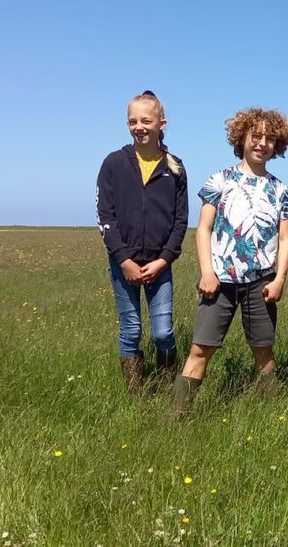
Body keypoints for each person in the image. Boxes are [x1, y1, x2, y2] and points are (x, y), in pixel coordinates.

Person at [170, 109, 288, 417]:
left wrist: (279, 278)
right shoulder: (220, 180)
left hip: (261, 282)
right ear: (241, 138)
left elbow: (284, 239)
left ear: (276, 145)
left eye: (269, 139)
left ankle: (271, 418)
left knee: (264, 351)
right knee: (201, 348)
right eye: (256, 136)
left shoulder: (280, 190)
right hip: (220, 281)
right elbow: (204, 229)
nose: (262, 144)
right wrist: (207, 272)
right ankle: (175, 417)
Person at [96, 90, 188, 394]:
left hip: (160, 264)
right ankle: (136, 397)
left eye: (146, 120)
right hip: (124, 263)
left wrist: (164, 260)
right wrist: (124, 260)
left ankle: (165, 387)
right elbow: (104, 216)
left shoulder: (175, 167)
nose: (139, 127)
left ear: (162, 123)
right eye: (132, 121)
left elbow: (180, 221)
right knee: (131, 330)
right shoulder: (113, 163)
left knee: (163, 333)